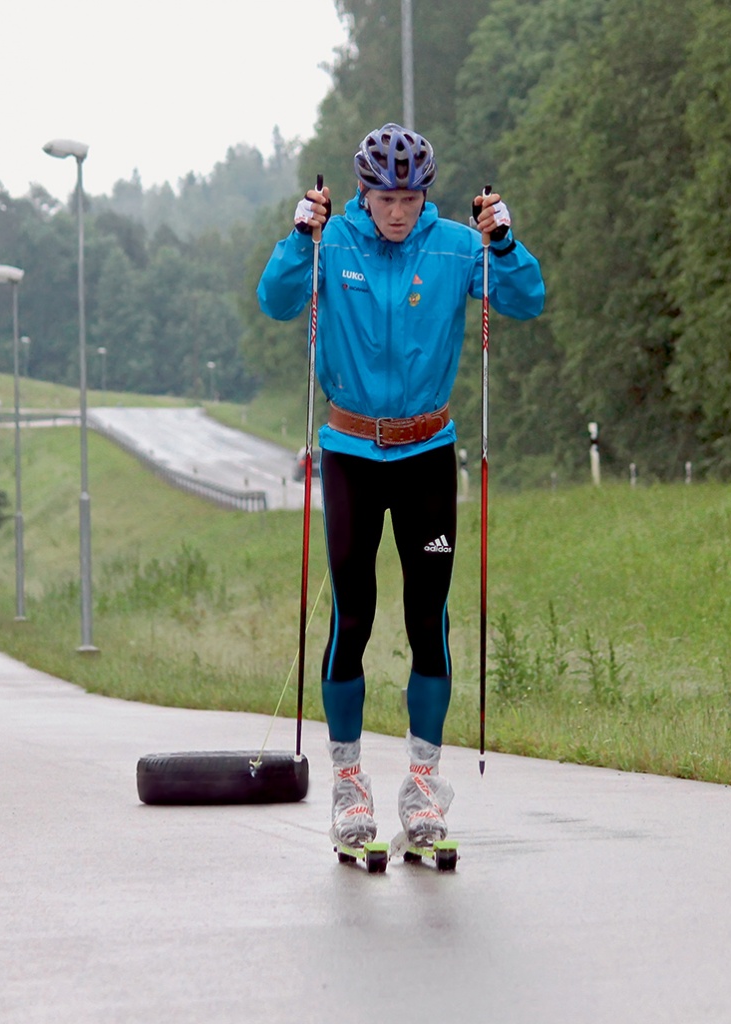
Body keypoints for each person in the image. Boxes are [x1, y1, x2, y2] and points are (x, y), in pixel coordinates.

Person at [257, 123, 544, 850]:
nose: (397, 211)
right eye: (385, 197)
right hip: (352, 449)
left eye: (410, 198)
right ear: (362, 192)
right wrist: (300, 236)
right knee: (352, 614)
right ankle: (348, 785)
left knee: (429, 618)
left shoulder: (452, 244)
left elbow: (526, 299)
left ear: (427, 195)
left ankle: (423, 784)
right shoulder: (334, 242)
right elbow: (277, 300)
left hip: (425, 453)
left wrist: (503, 242)